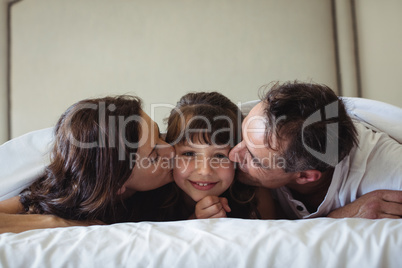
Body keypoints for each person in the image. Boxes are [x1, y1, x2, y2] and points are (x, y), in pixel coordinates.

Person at [229, 81, 402, 219]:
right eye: (242, 137)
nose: (233, 154)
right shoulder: (237, 123)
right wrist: (336, 219)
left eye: (253, 158)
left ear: (305, 176)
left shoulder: (388, 173)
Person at [0, 95, 175, 232]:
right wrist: (57, 223)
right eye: (154, 157)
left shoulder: (178, 177)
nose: (171, 150)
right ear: (116, 184)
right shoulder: (62, 195)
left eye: (159, 134)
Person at [132, 92, 275, 221]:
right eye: (189, 154)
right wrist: (194, 222)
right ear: (170, 152)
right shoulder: (149, 197)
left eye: (219, 156)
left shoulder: (254, 197)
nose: (205, 170)